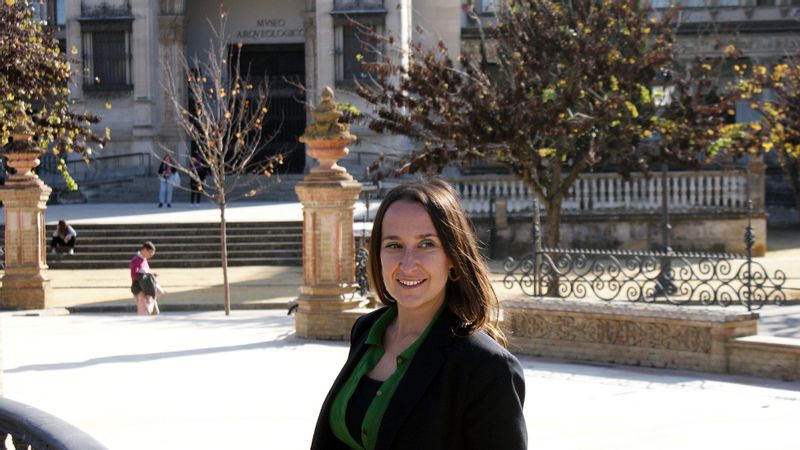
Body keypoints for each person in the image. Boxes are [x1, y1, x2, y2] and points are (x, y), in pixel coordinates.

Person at [311, 178, 527, 450]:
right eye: (394, 245)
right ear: (377, 254)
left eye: (426, 244)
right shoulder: (366, 330)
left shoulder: (487, 367)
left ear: (453, 258)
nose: (408, 263)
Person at [130, 241, 163, 315]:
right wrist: (144, 274)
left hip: (147, 287)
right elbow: (133, 275)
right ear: (145, 250)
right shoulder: (136, 260)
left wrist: (151, 274)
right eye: (150, 253)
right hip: (139, 288)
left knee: (152, 311)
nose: (151, 255)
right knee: (143, 312)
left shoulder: (143, 259)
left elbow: (146, 273)